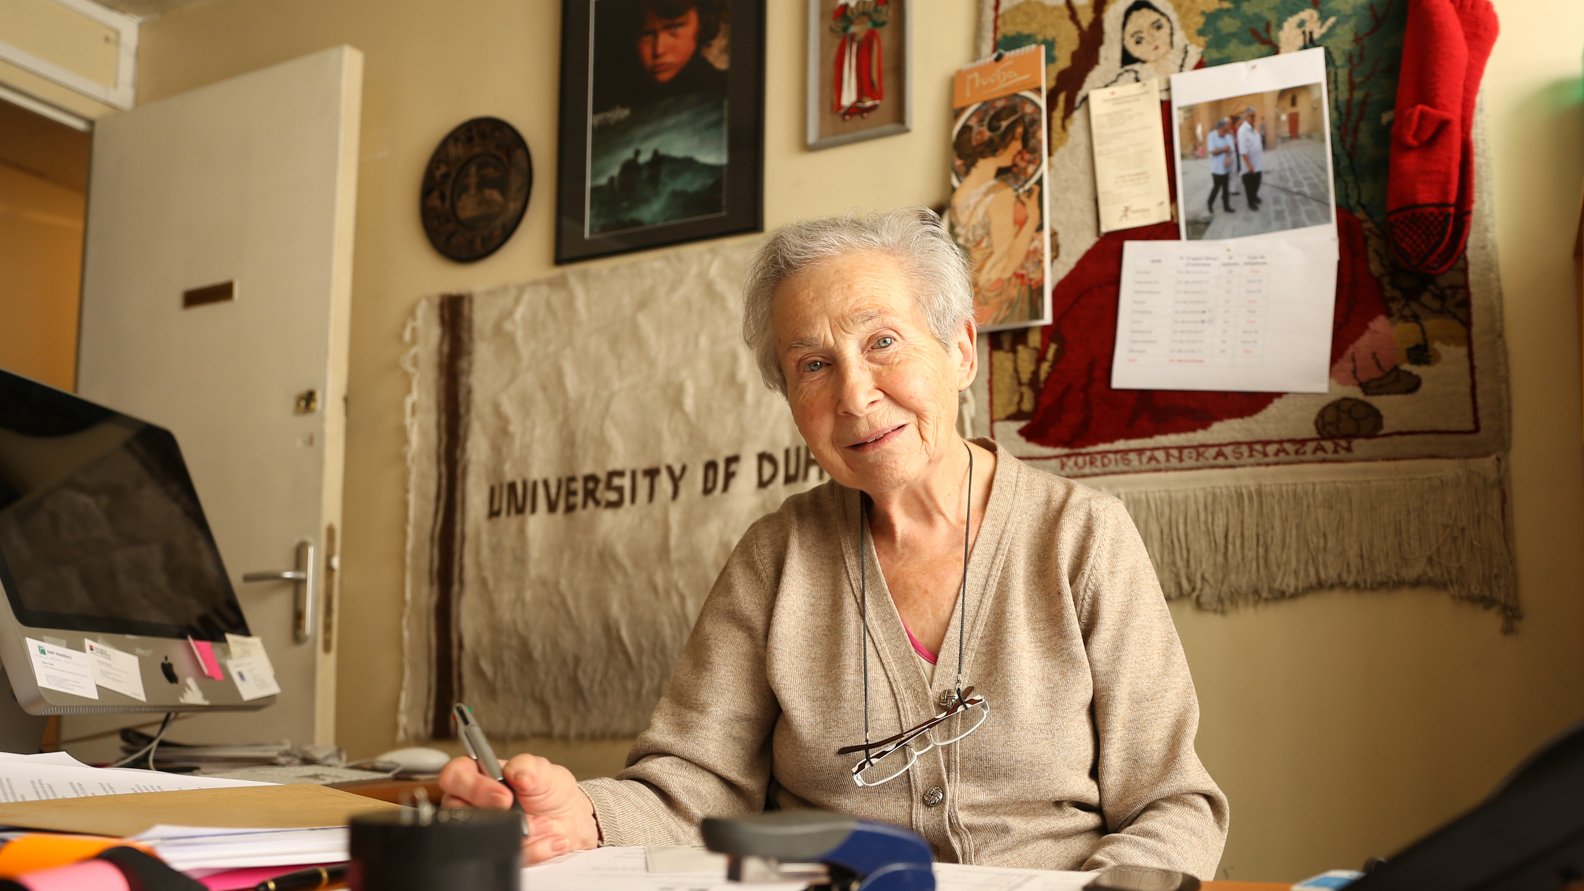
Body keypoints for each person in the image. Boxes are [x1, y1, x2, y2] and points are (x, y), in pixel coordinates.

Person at [439, 208, 1230, 878]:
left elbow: (1172, 804)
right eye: (814, 364)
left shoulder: (1082, 536)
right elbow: (693, 787)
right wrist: (579, 814)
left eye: (882, 342)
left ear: (960, 349)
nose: (854, 394)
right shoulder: (774, 558)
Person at [949, 103, 1044, 327]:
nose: (1020, 147)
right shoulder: (1001, 194)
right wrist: (1032, 219)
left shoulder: (960, 193)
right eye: (1016, 138)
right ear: (998, 139)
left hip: (973, 295)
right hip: (999, 295)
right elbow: (1006, 266)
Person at [593, 0, 726, 113]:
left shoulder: (723, 90)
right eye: (645, 33)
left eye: (674, 27)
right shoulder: (604, 96)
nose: (658, 50)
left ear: (701, 23)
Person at [1205, 117, 1236, 215]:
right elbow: (1213, 151)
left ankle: (1226, 207)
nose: (1225, 132)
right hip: (1216, 169)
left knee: (1226, 189)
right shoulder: (1211, 136)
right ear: (1219, 128)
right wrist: (1224, 149)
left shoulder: (1227, 136)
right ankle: (1209, 203)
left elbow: (1230, 148)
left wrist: (1227, 157)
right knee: (1216, 188)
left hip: (1226, 168)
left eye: (1226, 130)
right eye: (1224, 130)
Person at [1237, 107, 1264, 210]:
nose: (1254, 118)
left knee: (1257, 182)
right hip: (1249, 166)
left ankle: (1254, 196)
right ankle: (1251, 203)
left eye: (1254, 116)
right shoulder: (1242, 131)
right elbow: (1243, 151)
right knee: (1250, 186)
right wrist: (1249, 165)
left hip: (1257, 163)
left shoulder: (1253, 128)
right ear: (1246, 116)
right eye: (1252, 116)